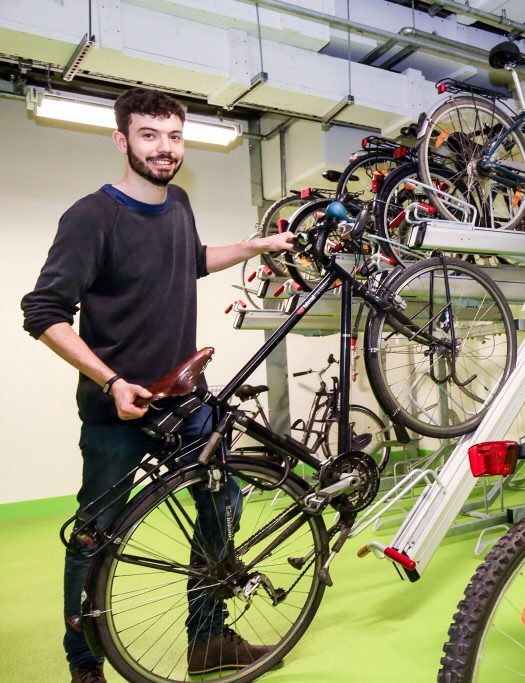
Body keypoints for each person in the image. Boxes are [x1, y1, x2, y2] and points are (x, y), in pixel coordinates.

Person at [21, 88, 295, 683]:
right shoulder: (92, 216)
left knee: (223, 503)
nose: (164, 148)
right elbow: (43, 312)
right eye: (149, 135)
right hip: (116, 410)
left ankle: (207, 639)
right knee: (95, 535)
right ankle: (86, 663)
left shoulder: (179, 204)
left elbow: (187, 258)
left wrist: (253, 246)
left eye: (173, 135)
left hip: (186, 401)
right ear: (122, 141)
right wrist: (112, 380)